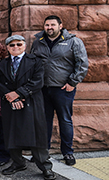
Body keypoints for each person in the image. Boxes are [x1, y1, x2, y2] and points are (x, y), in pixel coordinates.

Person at [0, 35, 55, 180]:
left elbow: (37, 82)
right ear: (7, 48)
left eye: (19, 44)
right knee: (12, 133)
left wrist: (19, 94)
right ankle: (18, 163)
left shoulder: (36, 61)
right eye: (12, 45)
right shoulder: (2, 64)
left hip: (31, 102)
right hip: (10, 103)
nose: (15, 47)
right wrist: (10, 96)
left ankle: (45, 166)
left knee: (36, 135)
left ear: (24, 46)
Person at [31, 15, 88, 166]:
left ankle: (68, 152)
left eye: (52, 25)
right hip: (43, 89)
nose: (49, 28)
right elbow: (32, 63)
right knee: (44, 122)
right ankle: (43, 152)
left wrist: (73, 82)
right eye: (47, 25)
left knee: (65, 120)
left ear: (60, 26)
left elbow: (82, 64)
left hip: (63, 89)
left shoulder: (73, 41)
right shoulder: (38, 42)